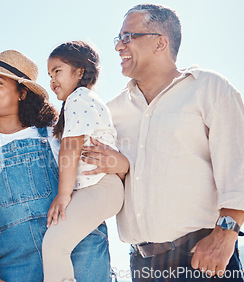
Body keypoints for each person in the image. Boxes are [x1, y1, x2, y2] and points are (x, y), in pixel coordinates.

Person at [83, 3, 244, 281]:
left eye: (127, 37)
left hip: (202, 258)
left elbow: (237, 163)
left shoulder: (209, 88)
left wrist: (225, 235)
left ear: (160, 43)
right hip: (141, 265)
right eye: (118, 39)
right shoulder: (110, 111)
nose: (119, 47)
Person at [0, 50, 113, 281]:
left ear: (22, 93)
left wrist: (121, 163)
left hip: (78, 251)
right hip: (15, 263)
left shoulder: (56, 135)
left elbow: (97, 172)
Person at [42, 41, 124, 282]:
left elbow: (71, 146)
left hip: (99, 187)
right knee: (58, 244)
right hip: (98, 188)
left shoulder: (79, 98)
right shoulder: (80, 101)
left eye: (57, 71)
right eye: (49, 74)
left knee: (54, 245)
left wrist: (63, 195)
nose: (52, 79)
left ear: (79, 72)